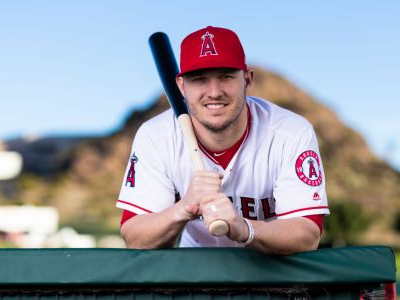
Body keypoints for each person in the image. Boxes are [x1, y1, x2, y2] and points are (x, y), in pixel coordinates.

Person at [116, 26, 329, 255]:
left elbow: (307, 235)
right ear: (181, 86)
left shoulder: (290, 132)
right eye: (199, 79)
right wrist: (183, 209)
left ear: (247, 79)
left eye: (225, 76)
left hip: (272, 270)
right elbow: (134, 236)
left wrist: (243, 228)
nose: (214, 91)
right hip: (196, 271)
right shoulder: (156, 136)